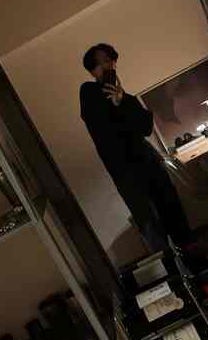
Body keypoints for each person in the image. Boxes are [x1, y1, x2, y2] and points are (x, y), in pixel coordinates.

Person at [80, 43, 193, 250]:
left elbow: (145, 128)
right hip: (125, 172)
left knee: (172, 210)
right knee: (149, 221)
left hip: (149, 162)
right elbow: (100, 125)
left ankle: (192, 253)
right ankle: (170, 264)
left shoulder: (128, 100)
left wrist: (122, 101)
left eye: (110, 60)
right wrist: (115, 104)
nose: (108, 65)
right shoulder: (89, 93)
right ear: (92, 70)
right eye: (101, 62)